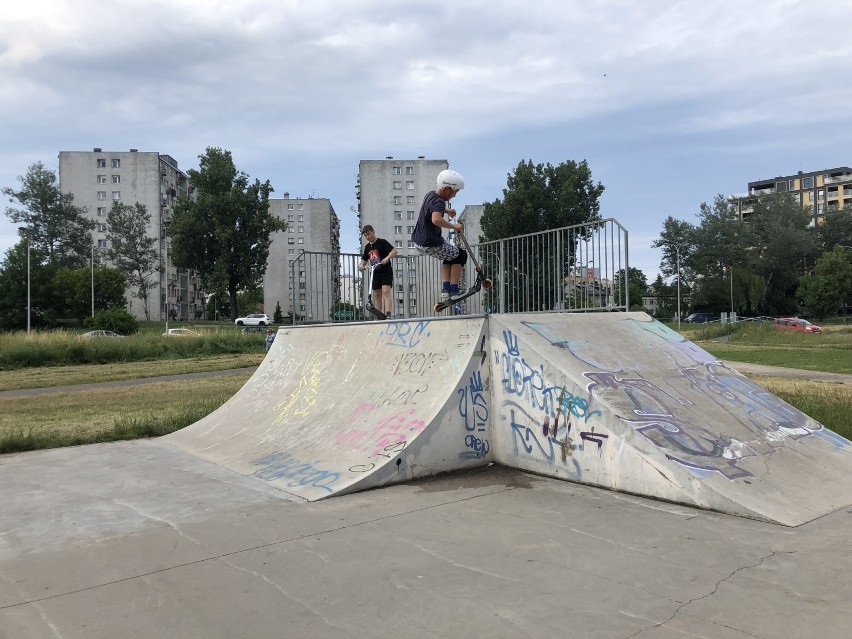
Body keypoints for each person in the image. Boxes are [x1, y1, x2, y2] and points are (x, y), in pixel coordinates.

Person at [411, 169, 467, 302]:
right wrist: (455, 226)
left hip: (419, 240)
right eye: (455, 192)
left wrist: (447, 210)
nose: (454, 195)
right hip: (430, 242)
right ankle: (453, 290)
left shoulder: (430, 195)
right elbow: (435, 219)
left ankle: (445, 290)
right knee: (461, 255)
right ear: (448, 188)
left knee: (450, 254)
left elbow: (431, 207)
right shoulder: (440, 202)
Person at [358, 225, 397, 318]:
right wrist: (361, 267)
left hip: (385, 271)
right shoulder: (367, 247)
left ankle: (388, 314)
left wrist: (387, 258)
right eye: (365, 236)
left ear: (373, 232)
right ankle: (378, 315)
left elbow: (394, 251)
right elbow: (363, 261)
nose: (368, 237)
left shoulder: (382, 242)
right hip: (375, 273)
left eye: (369, 234)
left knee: (386, 291)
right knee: (377, 295)